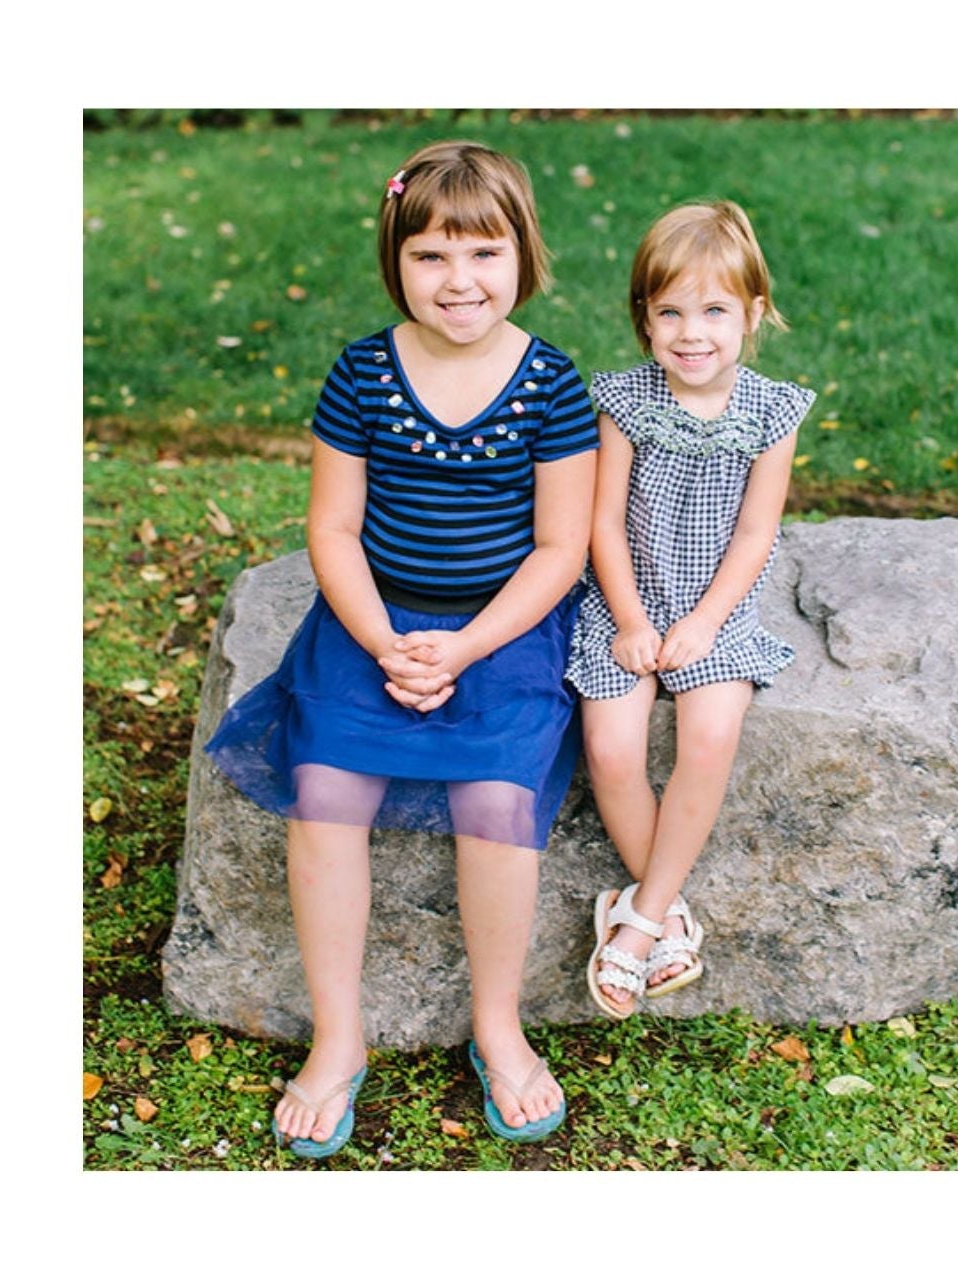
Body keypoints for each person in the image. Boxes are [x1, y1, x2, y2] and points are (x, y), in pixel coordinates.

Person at [203, 141, 598, 1153]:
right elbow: (333, 529)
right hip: (372, 615)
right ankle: (338, 1036)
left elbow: (561, 548)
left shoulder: (551, 383)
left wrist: (463, 648)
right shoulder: (365, 371)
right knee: (326, 789)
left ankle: (497, 1024)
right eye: (430, 256)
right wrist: (383, 638)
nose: (458, 281)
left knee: (496, 797)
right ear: (397, 261)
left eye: (483, 253)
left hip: (502, 623)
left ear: (523, 256)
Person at [567, 200, 816, 1019]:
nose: (691, 332)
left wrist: (706, 622)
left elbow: (755, 531)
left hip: (717, 603)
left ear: (753, 313)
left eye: (714, 310)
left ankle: (633, 926)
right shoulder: (624, 401)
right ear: (643, 319)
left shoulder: (772, 411)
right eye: (669, 311)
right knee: (610, 745)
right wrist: (634, 621)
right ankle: (665, 916)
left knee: (709, 733)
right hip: (626, 597)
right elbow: (602, 523)